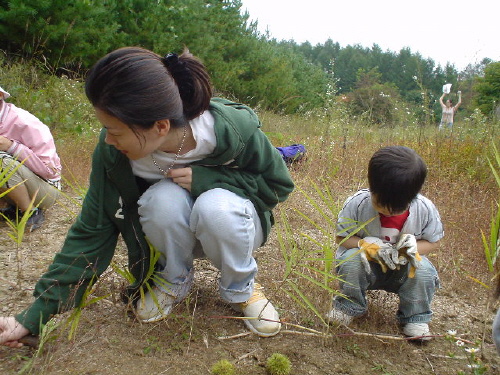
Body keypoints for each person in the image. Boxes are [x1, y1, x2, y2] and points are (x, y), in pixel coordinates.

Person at [0, 47, 294, 347]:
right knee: (162, 199)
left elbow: (278, 186)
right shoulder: (114, 154)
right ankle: (172, 280)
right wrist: (34, 315)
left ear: (161, 126)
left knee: (214, 206)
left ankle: (241, 288)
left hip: (234, 226)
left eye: (114, 131)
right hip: (175, 231)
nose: (108, 140)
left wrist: (210, 180)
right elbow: (91, 231)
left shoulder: (231, 131)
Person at [326, 146, 443, 340]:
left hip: (404, 268)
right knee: (350, 260)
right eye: (381, 205)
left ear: (413, 197)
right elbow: (342, 237)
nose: (388, 212)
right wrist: (365, 244)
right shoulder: (357, 203)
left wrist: (412, 248)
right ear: (372, 188)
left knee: (424, 270)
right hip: (368, 266)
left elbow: (434, 242)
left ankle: (415, 317)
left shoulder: (425, 209)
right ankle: (349, 305)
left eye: (397, 208)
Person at [0, 86, 62, 232]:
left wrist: (11, 146)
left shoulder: (23, 121)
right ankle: (11, 207)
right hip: (15, 187)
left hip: (46, 190)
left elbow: (49, 171)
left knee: (1, 159)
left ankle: (31, 212)